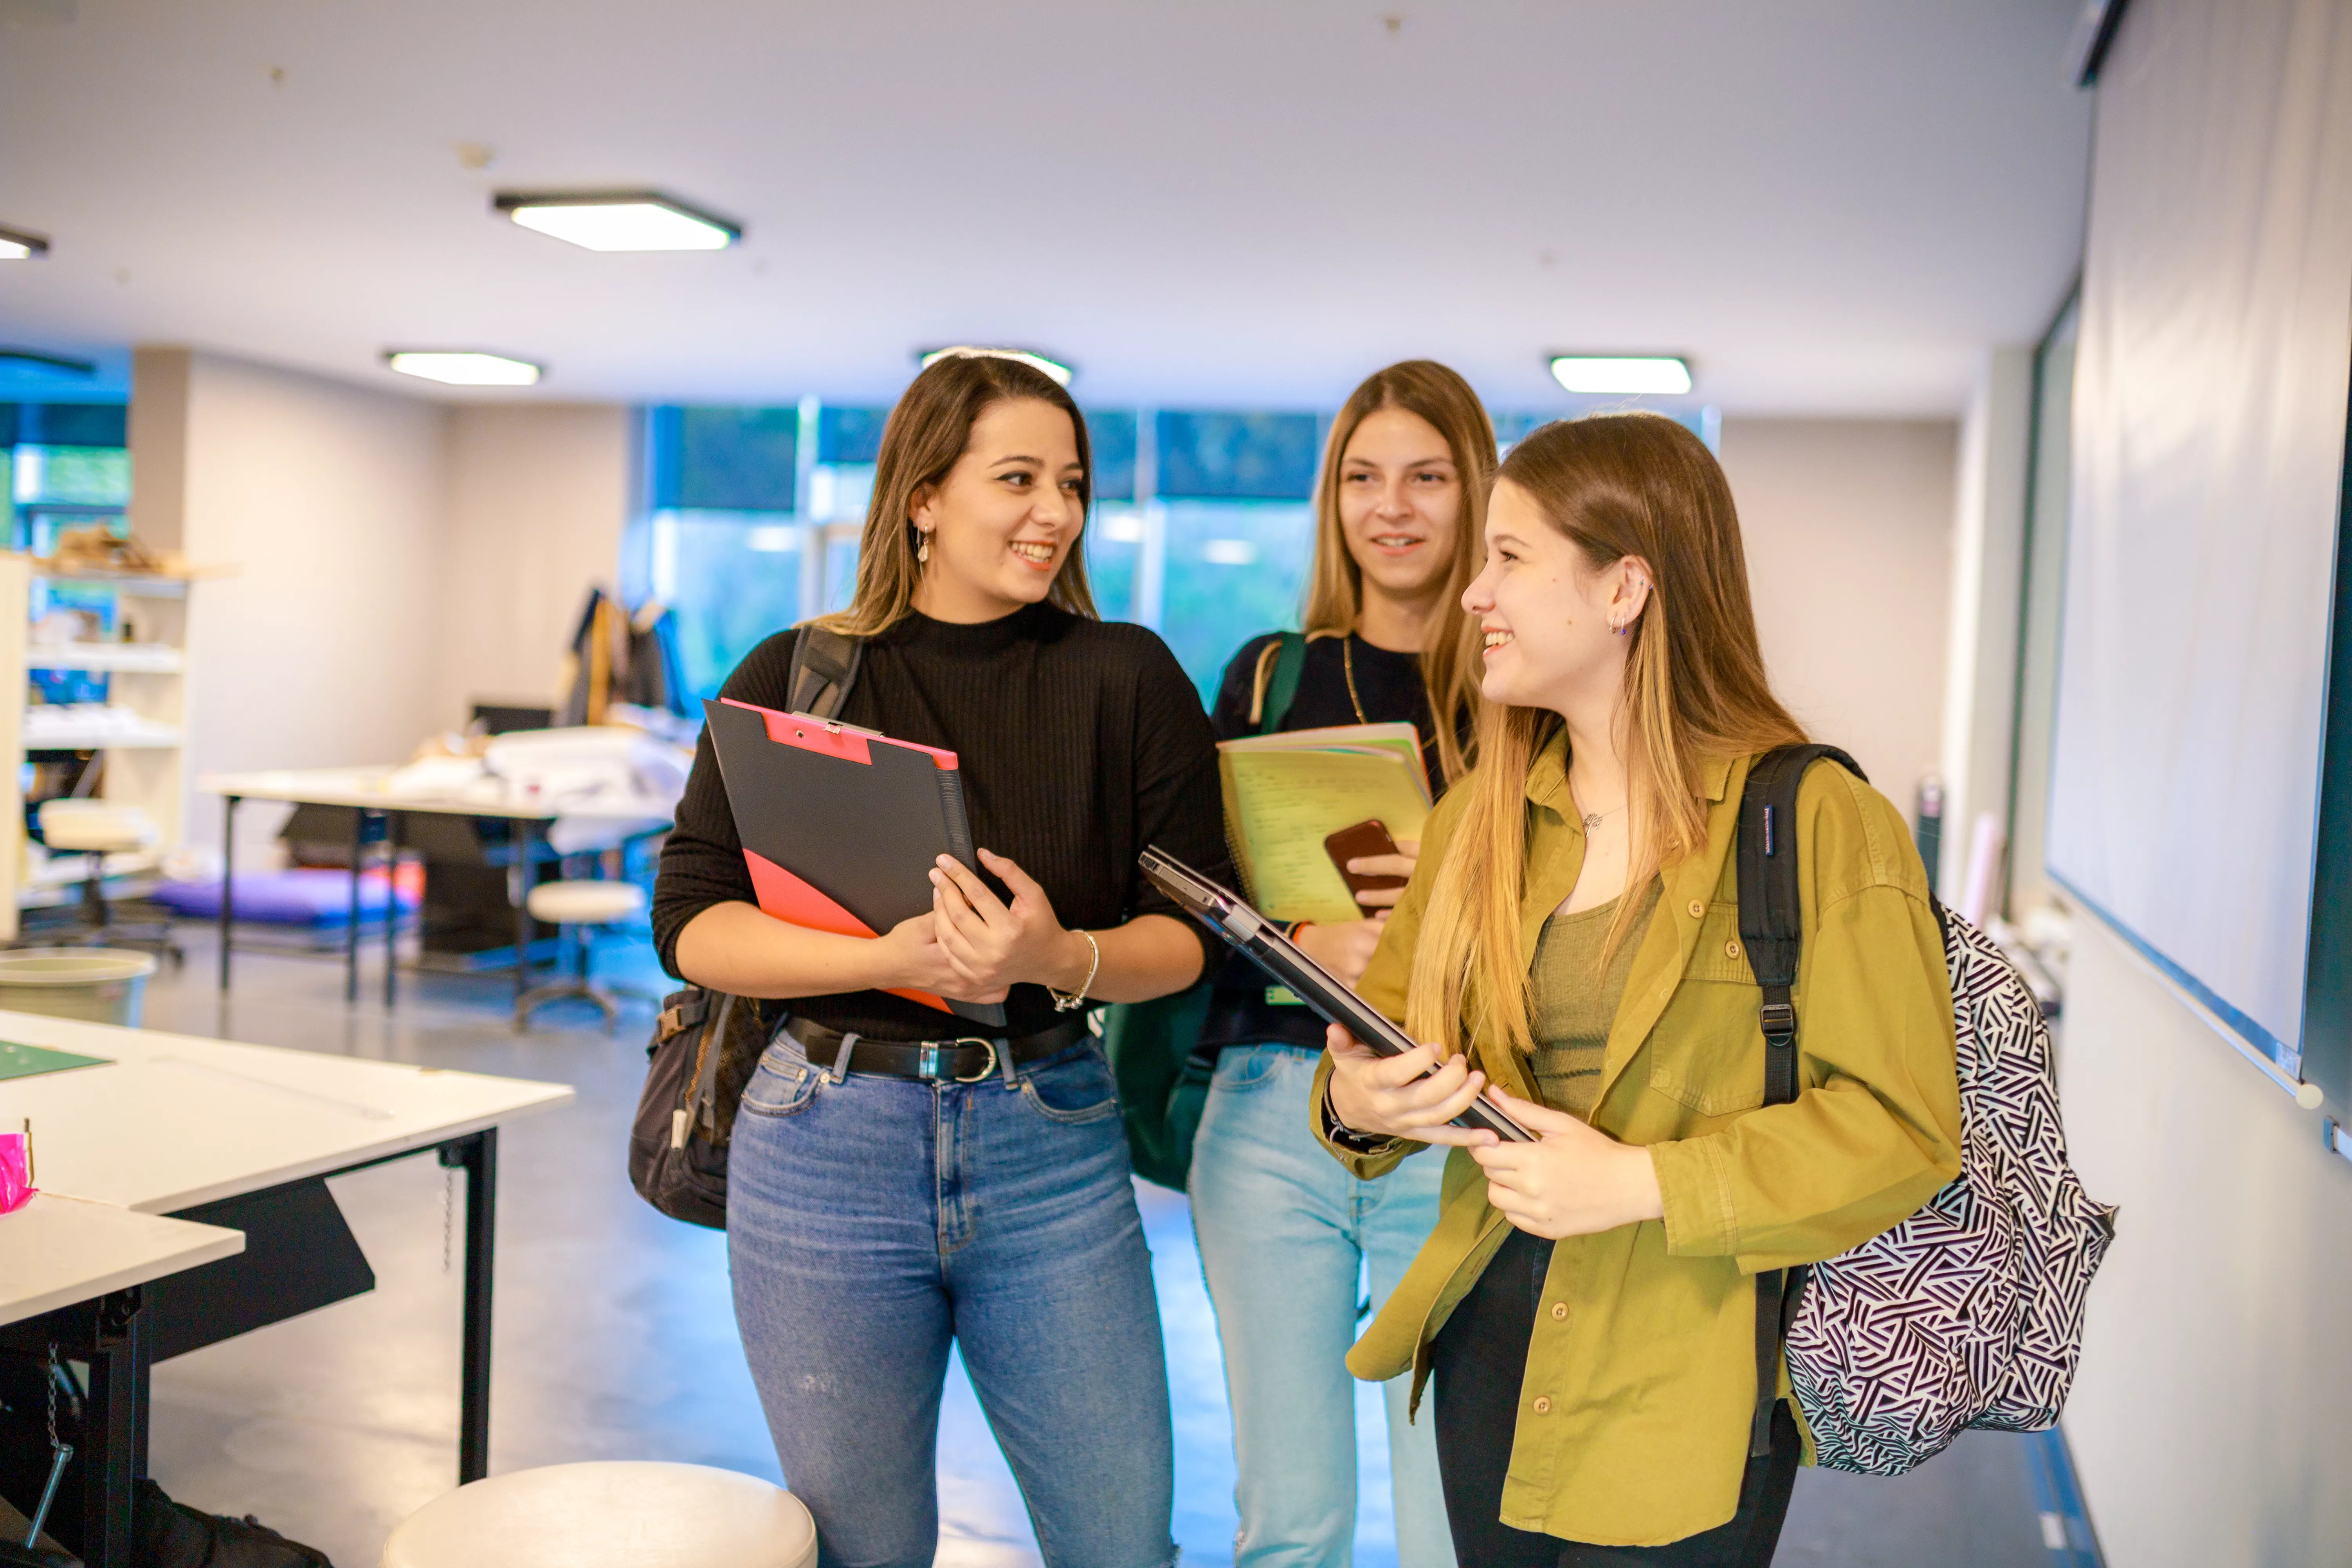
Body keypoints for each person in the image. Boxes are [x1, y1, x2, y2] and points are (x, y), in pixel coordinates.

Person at [1316, 413, 1965, 1564]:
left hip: (1691, 1359)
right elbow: (1380, 1058)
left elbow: (1902, 1128)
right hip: (1486, 1348)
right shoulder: (1479, 819)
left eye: (1510, 557)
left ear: (1625, 588)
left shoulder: (1817, 821)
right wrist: (1362, 1104)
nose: (1474, 594)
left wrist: (1637, 1181)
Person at [652, 351, 1227, 1568]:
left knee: (1123, 1543)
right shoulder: (798, 675)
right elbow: (693, 922)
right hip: (820, 1144)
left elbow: (1188, 940)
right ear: (923, 495)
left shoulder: (1126, 677)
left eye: (1070, 482)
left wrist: (1054, 953)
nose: (1053, 512)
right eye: (1016, 477)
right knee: (862, 1551)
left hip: (1050, 1141)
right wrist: (883, 950)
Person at [1191, 361, 1491, 1567]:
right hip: (1273, 1108)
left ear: (1478, 493)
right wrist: (1296, 940)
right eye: (1363, 478)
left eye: (1428, 476)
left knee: (1447, 1519)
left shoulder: (1519, 689)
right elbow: (1192, 885)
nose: (1394, 507)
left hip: (1456, 1116)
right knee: (1292, 1523)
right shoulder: (1272, 674)